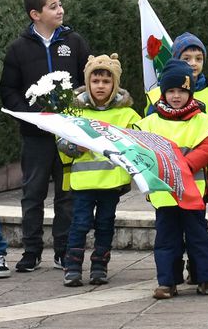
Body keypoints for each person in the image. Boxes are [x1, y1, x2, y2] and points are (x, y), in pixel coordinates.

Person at [0, 0, 91, 272]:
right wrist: (29, 115)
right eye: (53, 6)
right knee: (33, 193)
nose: (60, 10)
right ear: (35, 14)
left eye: (60, 4)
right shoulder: (19, 48)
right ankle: (31, 251)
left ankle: (63, 250)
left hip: (68, 135)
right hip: (35, 136)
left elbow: (88, 82)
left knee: (66, 195)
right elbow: (9, 89)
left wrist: (77, 108)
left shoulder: (74, 41)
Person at [135, 59, 208, 299]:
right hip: (165, 194)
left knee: (200, 239)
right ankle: (167, 282)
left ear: (190, 91)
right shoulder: (148, 123)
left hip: (193, 193)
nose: (176, 96)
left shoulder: (202, 120)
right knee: (167, 240)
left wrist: (180, 166)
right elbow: (141, 153)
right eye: (171, 91)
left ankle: (207, 279)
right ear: (164, 92)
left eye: (182, 90)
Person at [59, 54, 140, 287]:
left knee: (105, 223)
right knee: (80, 223)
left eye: (106, 81)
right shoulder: (74, 112)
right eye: (95, 81)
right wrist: (76, 146)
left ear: (115, 84)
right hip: (83, 182)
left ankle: (99, 265)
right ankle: (72, 266)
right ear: (87, 83)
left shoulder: (127, 114)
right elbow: (61, 140)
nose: (101, 86)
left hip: (111, 182)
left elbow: (137, 142)